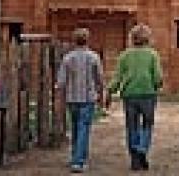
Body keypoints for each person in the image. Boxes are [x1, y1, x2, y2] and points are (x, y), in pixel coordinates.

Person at [106, 23, 163, 171]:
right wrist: (157, 85)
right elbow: (157, 76)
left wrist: (110, 90)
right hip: (148, 94)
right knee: (147, 124)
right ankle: (142, 148)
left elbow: (117, 77)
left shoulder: (124, 55)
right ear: (147, 38)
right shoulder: (152, 55)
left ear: (132, 38)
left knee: (132, 126)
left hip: (129, 95)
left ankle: (134, 158)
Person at [56, 27, 104, 173]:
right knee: (84, 128)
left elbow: (61, 81)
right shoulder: (94, 57)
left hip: (72, 98)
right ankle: (79, 160)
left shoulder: (68, 58)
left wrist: (60, 98)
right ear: (87, 40)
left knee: (75, 128)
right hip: (88, 98)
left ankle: (76, 156)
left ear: (74, 40)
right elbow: (99, 79)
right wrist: (101, 95)